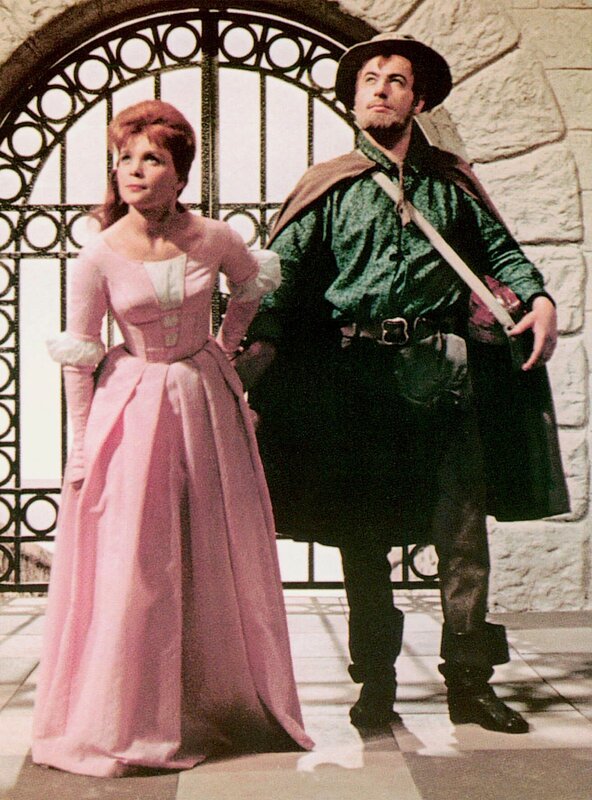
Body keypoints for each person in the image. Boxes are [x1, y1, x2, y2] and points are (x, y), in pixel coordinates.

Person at [237, 34, 569, 734]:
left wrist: (539, 298)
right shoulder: (328, 186)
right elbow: (282, 280)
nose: (381, 89)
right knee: (362, 537)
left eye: (396, 80)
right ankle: (376, 682)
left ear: (418, 100)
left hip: (442, 375)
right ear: (355, 99)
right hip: (355, 382)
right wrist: (246, 350)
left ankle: (470, 683)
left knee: (461, 532)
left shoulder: (450, 184)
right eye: (369, 79)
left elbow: (504, 254)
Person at [32, 99, 313, 777]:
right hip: (131, 408)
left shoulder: (213, 238)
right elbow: (80, 356)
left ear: (180, 173)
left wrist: (227, 346)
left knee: (212, 545)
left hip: (205, 400)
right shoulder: (97, 254)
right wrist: (81, 448)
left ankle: (215, 702)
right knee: (139, 558)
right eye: (124, 158)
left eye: (151, 158)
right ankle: (134, 714)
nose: (133, 170)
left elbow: (251, 285)